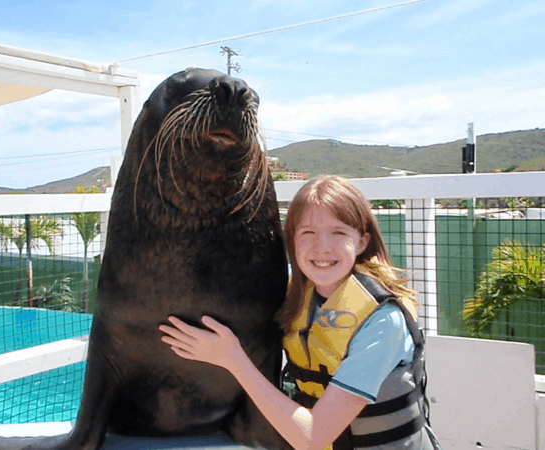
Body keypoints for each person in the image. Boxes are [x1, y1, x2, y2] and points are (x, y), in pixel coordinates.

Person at [159, 175, 440, 450]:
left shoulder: (382, 321)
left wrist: (233, 360)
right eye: (308, 233)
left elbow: (313, 437)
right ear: (292, 240)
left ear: (363, 241)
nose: (322, 248)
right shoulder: (299, 292)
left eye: (338, 232)